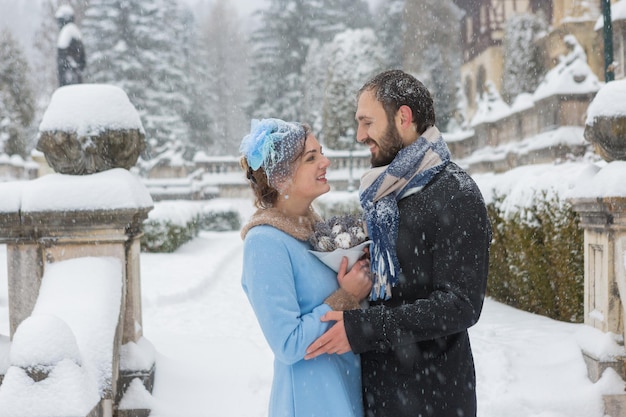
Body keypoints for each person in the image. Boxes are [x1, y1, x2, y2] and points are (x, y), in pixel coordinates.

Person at [305, 70, 492, 417]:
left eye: (367, 122)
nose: (360, 135)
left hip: (433, 398)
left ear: (403, 117)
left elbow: (460, 305)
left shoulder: (456, 194)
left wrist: (366, 328)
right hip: (380, 393)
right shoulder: (385, 195)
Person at [239, 118, 372, 417]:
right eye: (311, 158)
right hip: (311, 398)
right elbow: (287, 343)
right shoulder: (265, 242)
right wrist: (346, 296)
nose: (326, 161)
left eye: (320, 153)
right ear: (281, 178)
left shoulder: (313, 228)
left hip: (343, 385)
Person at [55, 5, 86, 87]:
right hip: (74, 77)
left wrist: (70, 67)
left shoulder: (67, 32)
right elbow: (83, 61)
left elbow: (62, 57)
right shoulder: (75, 31)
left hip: (69, 79)